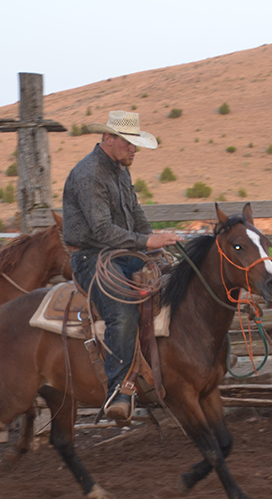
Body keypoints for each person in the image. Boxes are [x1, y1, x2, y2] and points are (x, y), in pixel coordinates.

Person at [62, 111, 181, 423]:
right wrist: (147, 241)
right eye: (128, 142)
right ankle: (119, 390)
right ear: (108, 138)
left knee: (177, 284)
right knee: (123, 310)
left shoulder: (120, 171)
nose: (134, 149)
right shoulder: (89, 174)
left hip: (124, 253)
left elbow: (135, 212)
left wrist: (153, 243)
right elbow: (101, 230)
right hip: (92, 258)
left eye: (135, 143)